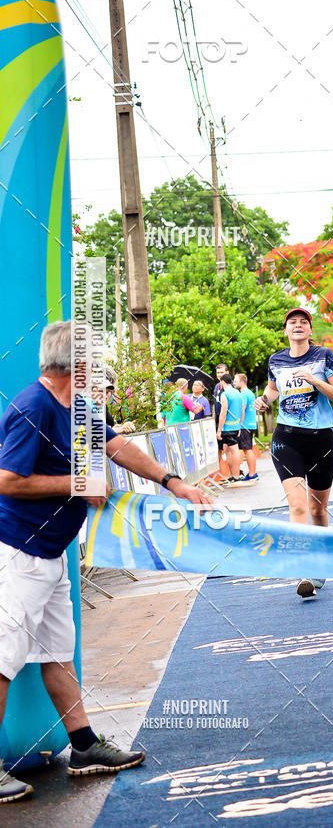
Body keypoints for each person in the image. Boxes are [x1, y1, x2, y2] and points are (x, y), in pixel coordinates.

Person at [0, 321, 213, 803]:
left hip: (52, 552)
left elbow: (117, 447)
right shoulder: (31, 406)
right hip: (17, 553)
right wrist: (78, 485)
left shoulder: (78, 407)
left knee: (57, 653)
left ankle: (83, 746)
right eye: (90, 359)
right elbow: (7, 480)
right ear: (72, 365)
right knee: (2, 658)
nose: (95, 366)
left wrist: (173, 481)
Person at [255, 308, 333, 599]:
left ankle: (319, 567)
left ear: (309, 330)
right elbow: (272, 391)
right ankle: (305, 568)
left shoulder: (324, 356)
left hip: (321, 440)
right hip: (287, 439)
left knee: (318, 510)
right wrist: (263, 401)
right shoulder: (276, 360)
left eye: (303, 322)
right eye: (292, 323)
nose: (297, 326)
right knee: (297, 506)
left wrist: (314, 380)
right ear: (285, 331)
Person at [216, 374, 244, 486]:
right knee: (227, 449)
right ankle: (232, 475)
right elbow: (242, 410)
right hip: (236, 425)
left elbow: (223, 413)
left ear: (222, 382)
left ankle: (236, 476)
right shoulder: (238, 393)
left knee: (234, 449)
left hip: (227, 426)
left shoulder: (224, 394)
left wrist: (219, 430)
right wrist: (240, 425)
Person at [234, 373, 258, 482]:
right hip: (251, 424)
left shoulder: (243, 393)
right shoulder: (250, 393)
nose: (234, 383)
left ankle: (252, 474)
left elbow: (242, 409)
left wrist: (239, 425)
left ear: (242, 382)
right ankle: (252, 473)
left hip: (244, 425)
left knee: (247, 449)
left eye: (235, 381)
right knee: (248, 448)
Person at [213, 364, 230, 479]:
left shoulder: (230, 386)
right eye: (218, 373)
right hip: (218, 419)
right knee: (218, 447)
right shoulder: (216, 387)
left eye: (221, 372)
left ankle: (233, 473)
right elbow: (216, 404)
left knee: (229, 448)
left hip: (228, 420)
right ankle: (219, 474)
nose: (219, 375)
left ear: (227, 372)